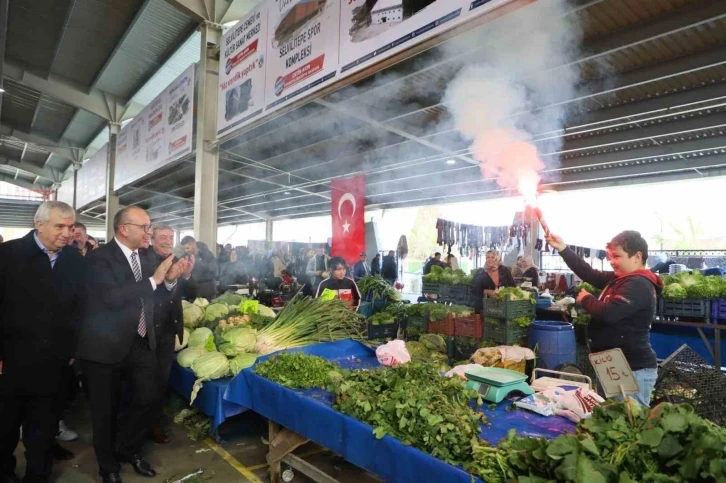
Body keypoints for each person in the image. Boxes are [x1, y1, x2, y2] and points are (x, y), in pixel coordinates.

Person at [78, 207, 187, 483]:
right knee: (105, 411)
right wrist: (155, 280)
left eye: (149, 227)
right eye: (144, 227)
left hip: (140, 342)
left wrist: (171, 280)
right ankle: (108, 467)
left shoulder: (148, 256)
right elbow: (112, 298)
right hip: (105, 346)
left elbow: (158, 294)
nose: (149, 233)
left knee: (148, 399)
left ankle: (128, 448)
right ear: (124, 228)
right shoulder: (100, 258)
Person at [0, 201, 87, 483]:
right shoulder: (8, 255)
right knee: (5, 427)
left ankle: (37, 476)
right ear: (39, 224)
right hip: (10, 362)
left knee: (43, 428)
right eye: (59, 226)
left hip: (55, 363)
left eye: (70, 227)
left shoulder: (74, 261)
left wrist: (73, 350)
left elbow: (80, 309)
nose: (66, 233)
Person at [546, 231, 662, 406]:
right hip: (614, 365)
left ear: (637, 256)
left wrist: (586, 299)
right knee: (610, 418)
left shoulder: (638, 284)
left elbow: (609, 313)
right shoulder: (621, 278)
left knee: (628, 423)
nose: (612, 261)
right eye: (610, 256)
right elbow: (590, 274)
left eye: (617, 256)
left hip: (632, 370)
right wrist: (563, 248)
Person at [142, 225, 193, 445]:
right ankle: (143, 426)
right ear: (152, 239)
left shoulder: (174, 259)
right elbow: (150, 295)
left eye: (171, 237)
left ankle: (155, 422)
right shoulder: (144, 259)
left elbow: (188, 294)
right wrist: (170, 281)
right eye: (162, 237)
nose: (167, 241)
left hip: (167, 331)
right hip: (148, 331)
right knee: (146, 381)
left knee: (161, 381)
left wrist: (187, 276)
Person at [471, 250, 516, 314]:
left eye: (492, 257)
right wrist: (485, 291)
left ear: (497, 258)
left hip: (504, 308)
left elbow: (513, 286)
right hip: (486, 309)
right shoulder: (481, 272)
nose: (490, 259)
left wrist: (503, 293)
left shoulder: (504, 270)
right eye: (488, 257)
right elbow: (474, 289)